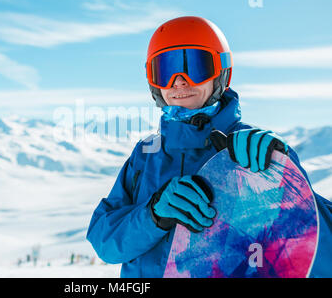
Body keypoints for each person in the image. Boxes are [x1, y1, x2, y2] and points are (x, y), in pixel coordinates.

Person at [86, 16, 332, 278]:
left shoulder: (250, 152)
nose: (179, 81)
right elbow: (105, 243)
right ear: (153, 81)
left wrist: (285, 177)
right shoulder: (146, 154)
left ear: (222, 73)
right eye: (166, 69)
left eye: (194, 66)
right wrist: (152, 216)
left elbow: (313, 252)